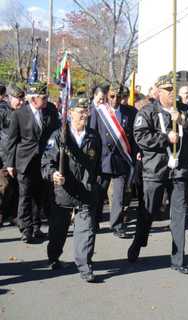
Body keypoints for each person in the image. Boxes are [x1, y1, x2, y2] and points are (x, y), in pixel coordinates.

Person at [128, 73, 188, 274]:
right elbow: (141, 137)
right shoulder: (148, 111)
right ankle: (138, 242)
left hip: (180, 171)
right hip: (156, 170)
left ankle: (178, 260)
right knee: (148, 212)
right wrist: (165, 138)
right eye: (168, 90)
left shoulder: (184, 110)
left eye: (174, 90)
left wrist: (183, 121)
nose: (172, 94)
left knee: (179, 216)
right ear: (159, 91)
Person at [41, 97, 101, 282]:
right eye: (80, 111)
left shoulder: (93, 136)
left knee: (86, 231)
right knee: (58, 230)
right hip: (64, 190)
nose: (84, 114)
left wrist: (94, 182)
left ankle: (85, 267)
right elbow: (47, 161)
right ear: (70, 113)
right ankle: (53, 257)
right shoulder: (59, 135)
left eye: (86, 111)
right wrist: (53, 174)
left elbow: (96, 163)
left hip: (86, 190)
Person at [6, 82, 60, 243]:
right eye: (43, 98)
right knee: (25, 195)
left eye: (46, 97)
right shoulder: (19, 114)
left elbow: (56, 132)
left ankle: (36, 227)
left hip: (44, 161)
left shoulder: (50, 110)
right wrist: (10, 163)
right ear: (33, 98)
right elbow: (12, 141)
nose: (45, 100)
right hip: (25, 161)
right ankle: (26, 229)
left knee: (40, 195)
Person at [90, 83, 137, 238]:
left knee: (118, 195)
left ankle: (117, 225)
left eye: (118, 96)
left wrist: (137, 153)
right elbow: (92, 135)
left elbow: (134, 136)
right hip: (102, 159)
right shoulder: (98, 112)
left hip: (120, 159)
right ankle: (94, 221)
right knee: (98, 193)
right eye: (112, 96)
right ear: (107, 95)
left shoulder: (130, 112)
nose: (115, 99)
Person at [0, 84, 25, 227]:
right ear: (9, 97)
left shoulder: (23, 112)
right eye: (18, 99)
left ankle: (11, 215)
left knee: (16, 187)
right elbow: (5, 138)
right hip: (4, 157)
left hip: (19, 157)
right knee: (4, 186)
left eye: (22, 99)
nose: (21, 102)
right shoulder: (3, 111)